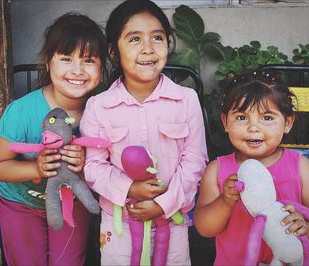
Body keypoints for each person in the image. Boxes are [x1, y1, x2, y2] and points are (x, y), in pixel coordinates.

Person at [79, 0, 208, 265]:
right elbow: (93, 166)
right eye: (134, 39)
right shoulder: (98, 106)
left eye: (157, 37)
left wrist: (164, 203)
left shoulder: (186, 99)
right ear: (114, 52)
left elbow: (196, 160)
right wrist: (130, 188)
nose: (148, 48)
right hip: (119, 224)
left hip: (173, 219)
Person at [0, 12, 107, 265]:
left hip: (72, 199)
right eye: (66, 58)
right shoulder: (22, 112)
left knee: (68, 261)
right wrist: (36, 167)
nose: (77, 70)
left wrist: (85, 167)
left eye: (88, 60)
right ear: (47, 62)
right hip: (20, 201)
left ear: (102, 67)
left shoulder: (105, 112)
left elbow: (111, 171)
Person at [193, 71, 309, 265]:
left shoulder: (301, 167)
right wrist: (225, 202)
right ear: (226, 122)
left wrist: (307, 227)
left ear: (287, 123)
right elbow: (204, 228)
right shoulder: (217, 170)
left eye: (267, 118)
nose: (253, 127)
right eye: (242, 118)